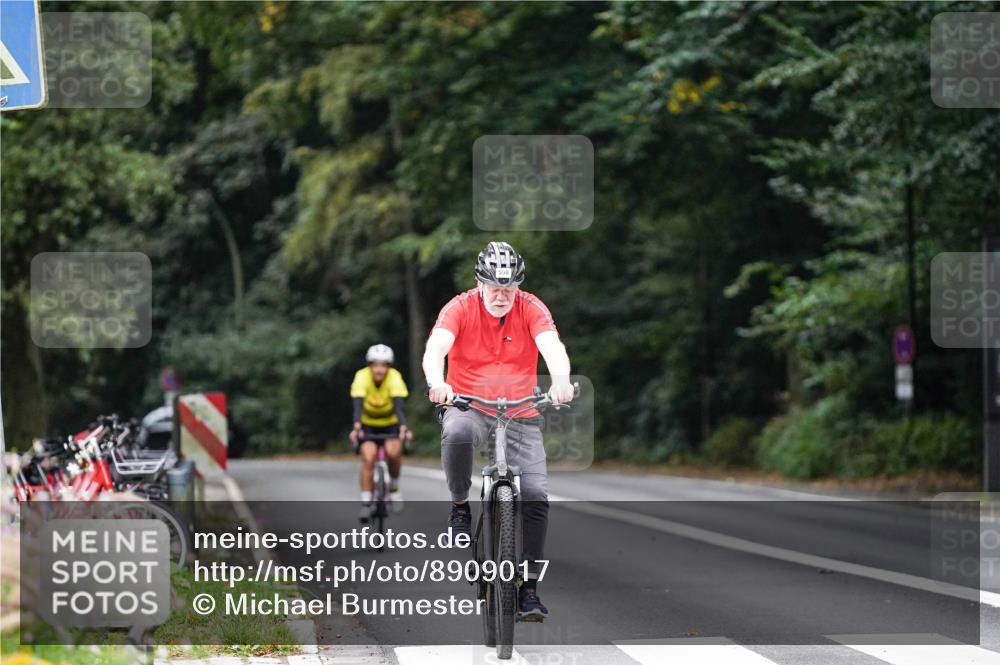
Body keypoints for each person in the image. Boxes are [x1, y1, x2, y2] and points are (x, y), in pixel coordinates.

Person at [422, 241, 574, 622]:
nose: (502, 295)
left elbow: (552, 347)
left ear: (518, 286)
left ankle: (529, 589)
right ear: (480, 282)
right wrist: (437, 382)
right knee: (457, 433)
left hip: (521, 410)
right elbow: (435, 348)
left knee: (535, 495)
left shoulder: (531, 307)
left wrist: (560, 380)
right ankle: (459, 506)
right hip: (468, 405)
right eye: (495, 287)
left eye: (510, 287)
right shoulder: (459, 308)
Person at [350, 344, 412, 522]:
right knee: (368, 457)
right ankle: (365, 502)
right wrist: (356, 426)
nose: (379, 369)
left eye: (383, 365)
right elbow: (358, 405)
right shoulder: (361, 376)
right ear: (370, 365)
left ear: (388, 367)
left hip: (390, 423)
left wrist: (403, 427)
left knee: (394, 452)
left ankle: (394, 488)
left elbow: (399, 406)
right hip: (367, 424)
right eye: (375, 365)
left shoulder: (394, 377)